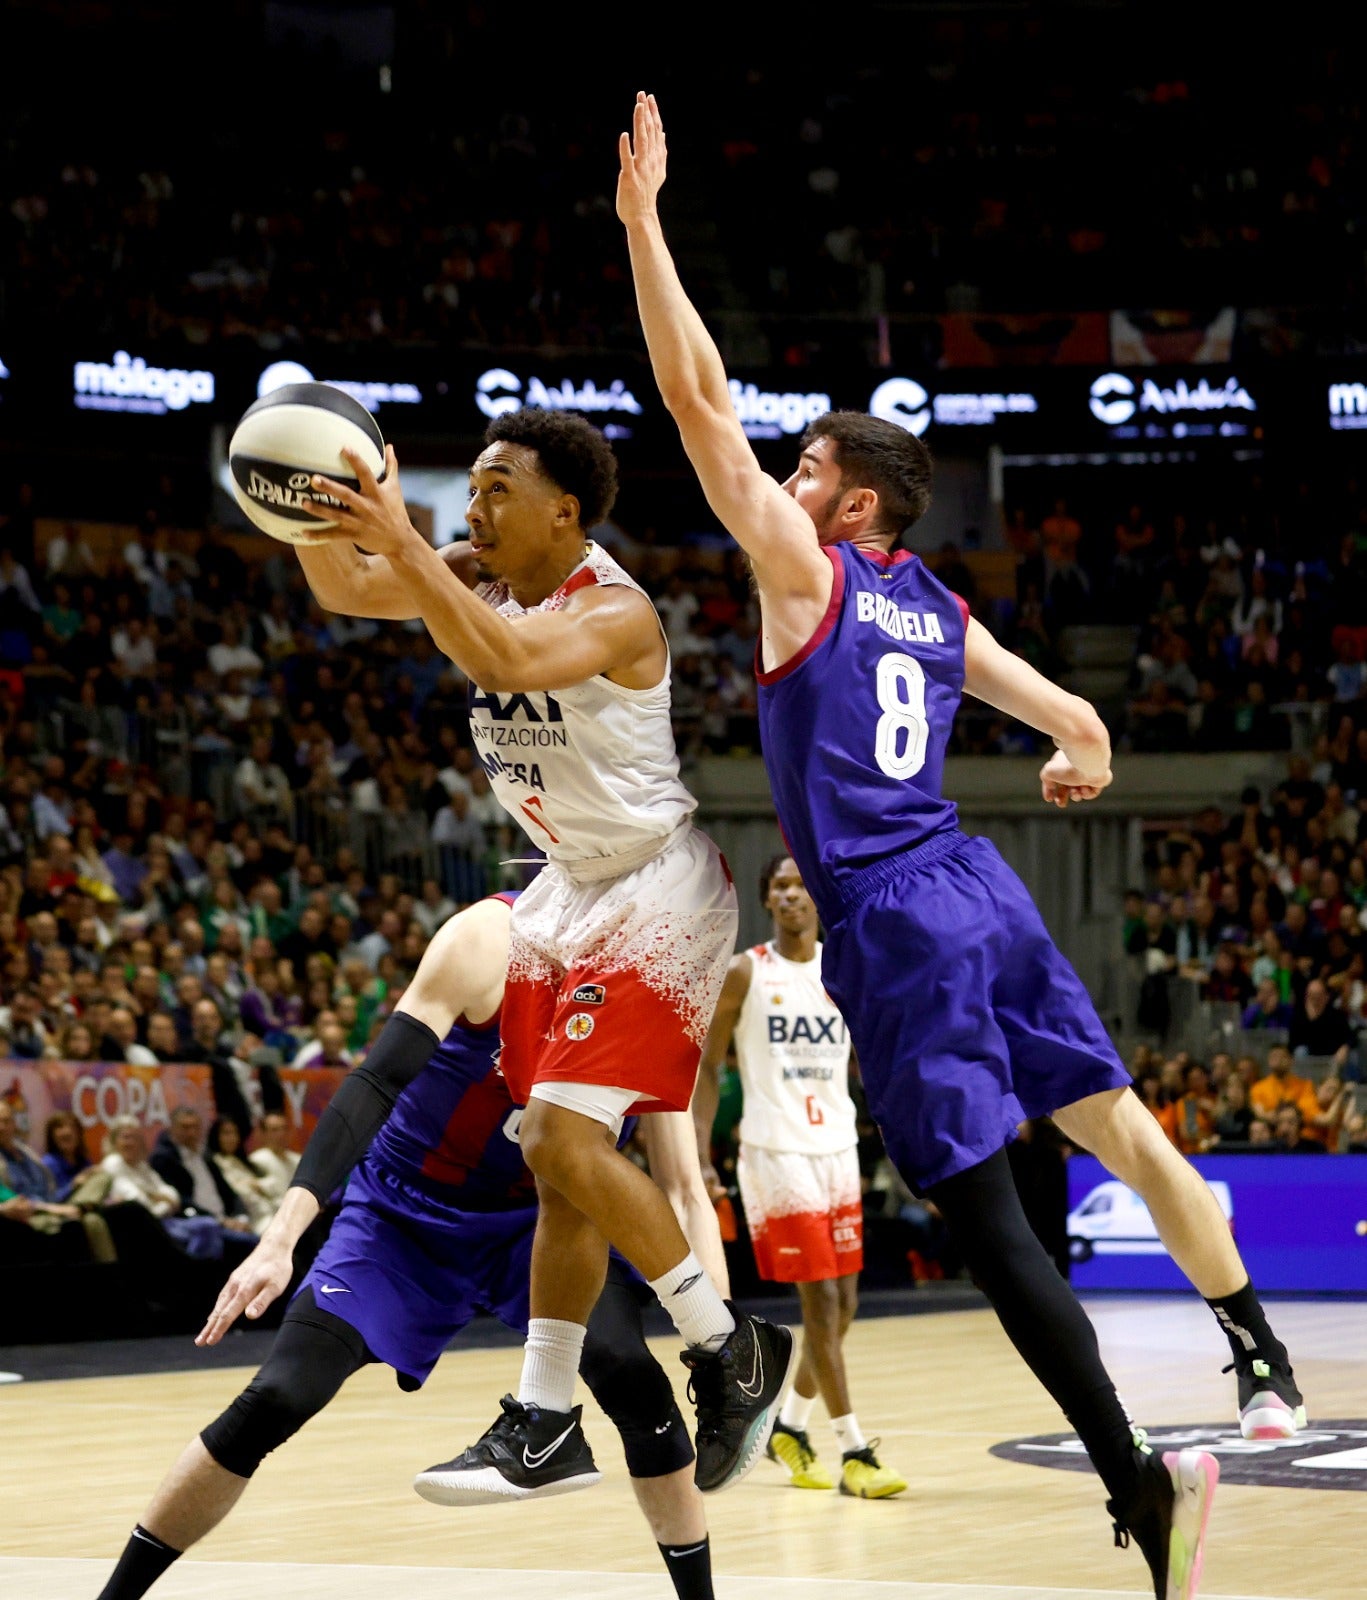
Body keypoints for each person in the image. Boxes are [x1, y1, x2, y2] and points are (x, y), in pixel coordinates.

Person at [618, 91, 1305, 1597]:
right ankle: (1253, 1345)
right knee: (1117, 1127)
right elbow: (1080, 723)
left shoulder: (807, 573)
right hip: (981, 891)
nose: (779, 483)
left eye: (804, 470)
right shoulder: (936, 607)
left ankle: (1138, 1486)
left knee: (991, 1229)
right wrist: (1075, 756)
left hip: (893, 916)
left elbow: (692, 399)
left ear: (851, 503)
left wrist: (643, 226)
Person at [292, 403, 791, 1499]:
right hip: (564, 891)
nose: (472, 508)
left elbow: (505, 655)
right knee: (555, 1162)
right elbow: (346, 590)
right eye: (468, 489)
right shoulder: (473, 572)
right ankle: (548, 1416)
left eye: (496, 488)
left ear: (564, 511)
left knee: (563, 1140)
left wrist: (407, 540)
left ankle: (728, 1345)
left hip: (656, 889)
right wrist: (302, 512)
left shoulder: (613, 608)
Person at [99, 897, 726, 1600]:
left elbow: (684, 1187)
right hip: (404, 1213)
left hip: (541, 1223)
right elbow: (374, 1082)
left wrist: (724, 1350)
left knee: (631, 1375)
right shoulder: (486, 938)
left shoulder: (653, 980)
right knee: (278, 1395)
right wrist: (280, 1238)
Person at [696, 853, 905, 1498]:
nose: (790, 894)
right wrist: (700, 1157)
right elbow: (708, 1068)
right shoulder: (746, 972)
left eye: (799, 885)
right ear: (767, 900)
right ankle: (855, 1452)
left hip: (836, 1147)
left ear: (817, 898)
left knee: (846, 1307)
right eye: (778, 885)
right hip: (777, 1153)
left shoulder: (842, 969)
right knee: (820, 1304)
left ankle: (789, 1427)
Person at [246, 1109, 299, 1207]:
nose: (281, 1134)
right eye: (274, 1130)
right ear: (263, 1134)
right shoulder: (257, 1160)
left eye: (284, 1128)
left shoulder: (297, 1160)